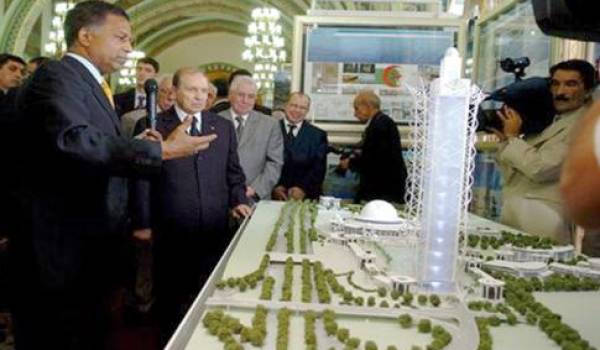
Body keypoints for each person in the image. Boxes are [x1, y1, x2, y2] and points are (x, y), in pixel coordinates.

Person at [9, 2, 216, 349]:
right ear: (86, 36)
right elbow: (72, 140)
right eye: (120, 37)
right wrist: (159, 151)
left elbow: (91, 144)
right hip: (60, 252)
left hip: (87, 245)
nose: (129, 48)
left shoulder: (90, 83)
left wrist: (132, 145)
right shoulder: (57, 75)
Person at [132, 67, 251, 342]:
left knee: (209, 297)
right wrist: (142, 223)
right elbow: (139, 179)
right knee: (171, 301)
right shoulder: (153, 125)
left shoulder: (221, 126)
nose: (199, 96)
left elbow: (234, 172)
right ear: (174, 92)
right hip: (170, 229)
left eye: (204, 91)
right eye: (191, 89)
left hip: (213, 229)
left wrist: (239, 200)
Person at [493, 59, 596, 245]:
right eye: (555, 84)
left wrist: (513, 139)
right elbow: (511, 170)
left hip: (545, 219)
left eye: (570, 84)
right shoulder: (549, 119)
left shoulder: (587, 125)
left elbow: (540, 168)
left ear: (588, 90)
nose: (560, 92)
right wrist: (505, 141)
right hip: (515, 214)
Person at [219, 75, 283, 202]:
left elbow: (275, 163)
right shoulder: (215, 121)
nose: (245, 100)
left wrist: (255, 189)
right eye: (240, 95)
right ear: (230, 95)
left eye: (251, 96)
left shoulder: (270, 124)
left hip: (255, 199)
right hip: (220, 196)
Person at [338, 89, 408, 204]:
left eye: (357, 108)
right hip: (384, 187)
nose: (355, 114)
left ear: (368, 106)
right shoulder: (381, 122)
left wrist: (350, 163)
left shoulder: (380, 126)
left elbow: (375, 160)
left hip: (384, 190)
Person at [272, 92, 328, 201]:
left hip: (306, 198)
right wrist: (275, 186)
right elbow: (262, 162)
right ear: (285, 106)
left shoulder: (318, 135)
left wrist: (302, 188)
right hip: (271, 196)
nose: (297, 110)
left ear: (307, 111)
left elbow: (319, 168)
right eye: (294, 105)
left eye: (302, 108)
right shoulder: (270, 129)